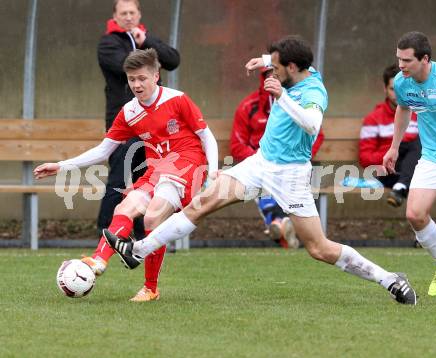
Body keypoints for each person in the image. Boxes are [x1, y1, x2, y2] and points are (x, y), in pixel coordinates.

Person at [105, 35, 417, 305]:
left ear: (292, 69)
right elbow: (286, 60)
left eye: (277, 67)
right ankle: (139, 250)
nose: (272, 70)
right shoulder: (301, 68)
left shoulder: (312, 92)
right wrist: (263, 59)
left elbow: (311, 124)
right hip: (259, 163)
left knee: (318, 248)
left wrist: (282, 98)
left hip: (290, 174)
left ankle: (389, 279)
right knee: (202, 203)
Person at [34, 49, 217, 302]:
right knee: (125, 207)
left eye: (142, 78)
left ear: (156, 75)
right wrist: (62, 166)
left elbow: (206, 136)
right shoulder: (130, 112)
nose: (137, 84)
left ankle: (150, 287)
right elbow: (104, 149)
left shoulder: (177, 100)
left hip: (186, 165)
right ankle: (99, 260)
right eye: (132, 79)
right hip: (157, 169)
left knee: (152, 219)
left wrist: (214, 172)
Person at [97, 0, 180, 238]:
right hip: (124, 121)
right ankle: (106, 233)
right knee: (120, 177)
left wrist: (147, 42)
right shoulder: (108, 43)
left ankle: (144, 237)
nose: (128, 17)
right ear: (115, 16)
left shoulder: (146, 38)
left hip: (152, 123)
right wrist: (151, 59)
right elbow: (129, 67)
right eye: (123, 13)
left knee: (147, 178)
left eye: (132, 12)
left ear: (139, 14)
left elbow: (173, 59)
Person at [230, 68, 324, 247]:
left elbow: (316, 134)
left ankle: (278, 224)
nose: (274, 77)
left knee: (282, 184)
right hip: (260, 166)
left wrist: (297, 154)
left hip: (293, 166)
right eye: (269, 74)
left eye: (277, 72)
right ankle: (282, 225)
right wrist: (263, 160)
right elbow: (237, 145)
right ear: (262, 79)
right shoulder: (248, 107)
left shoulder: (300, 99)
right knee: (264, 179)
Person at [383, 31, 436, 297]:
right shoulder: (402, 82)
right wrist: (394, 146)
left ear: (425, 59)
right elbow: (403, 109)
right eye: (399, 59)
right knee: (414, 214)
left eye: (407, 60)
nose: (401, 66)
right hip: (432, 156)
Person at [359, 64, 421, 207]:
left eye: (402, 88)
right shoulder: (373, 119)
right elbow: (365, 159)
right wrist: (394, 150)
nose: (398, 93)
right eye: (393, 89)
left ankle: (400, 187)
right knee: (414, 144)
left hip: (418, 171)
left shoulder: (419, 114)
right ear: (385, 89)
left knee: (419, 143)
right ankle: (401, 186)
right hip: (388, 172)